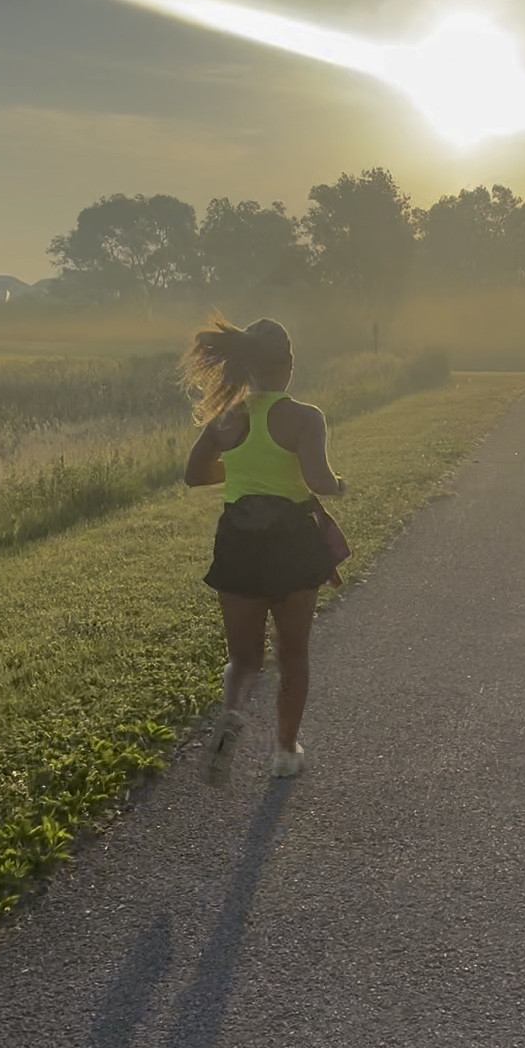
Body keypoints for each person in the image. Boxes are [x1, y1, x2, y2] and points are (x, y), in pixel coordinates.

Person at [182, 316, 349, 788]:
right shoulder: (305, 417)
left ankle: (232, 713)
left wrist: (241, 476)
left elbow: (195, 474)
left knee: (244, 657)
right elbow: (318, 480)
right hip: (292, 541)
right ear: (290, 365)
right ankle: (284, 753)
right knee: (292, 654)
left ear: (247, 366)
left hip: (237, 539)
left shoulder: (228, 417)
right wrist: (338, 485)